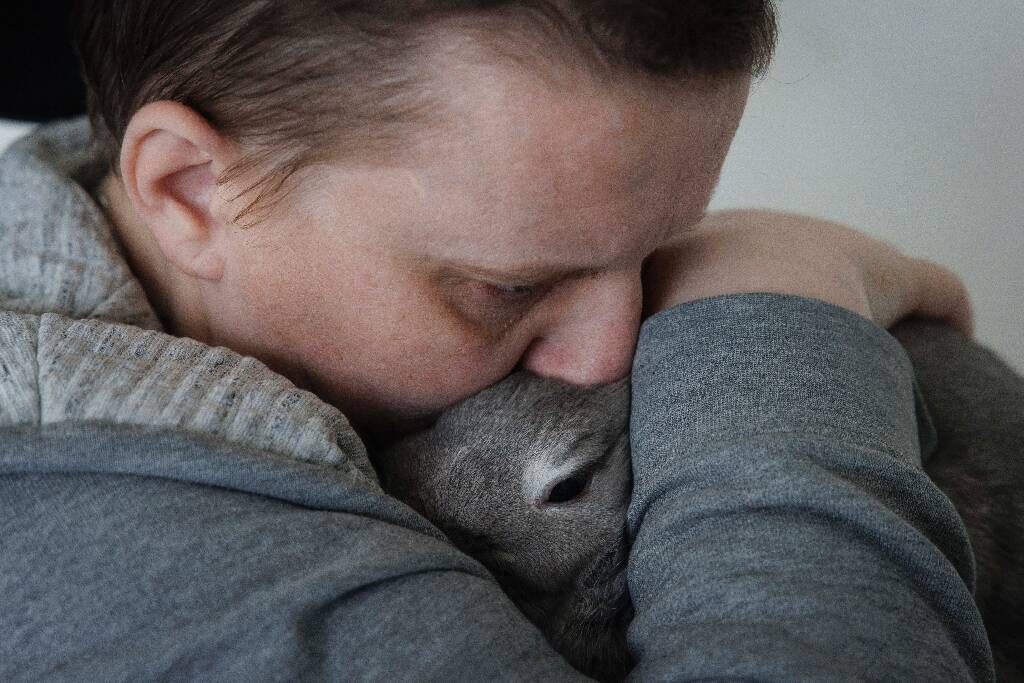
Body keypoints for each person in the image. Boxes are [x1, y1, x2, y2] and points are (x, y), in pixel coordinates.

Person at [0, 1, 994, 681]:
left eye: (662, 248)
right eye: (509, 283)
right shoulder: (123, 554)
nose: (617, 345)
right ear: (188, 191)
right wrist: (780, 297)